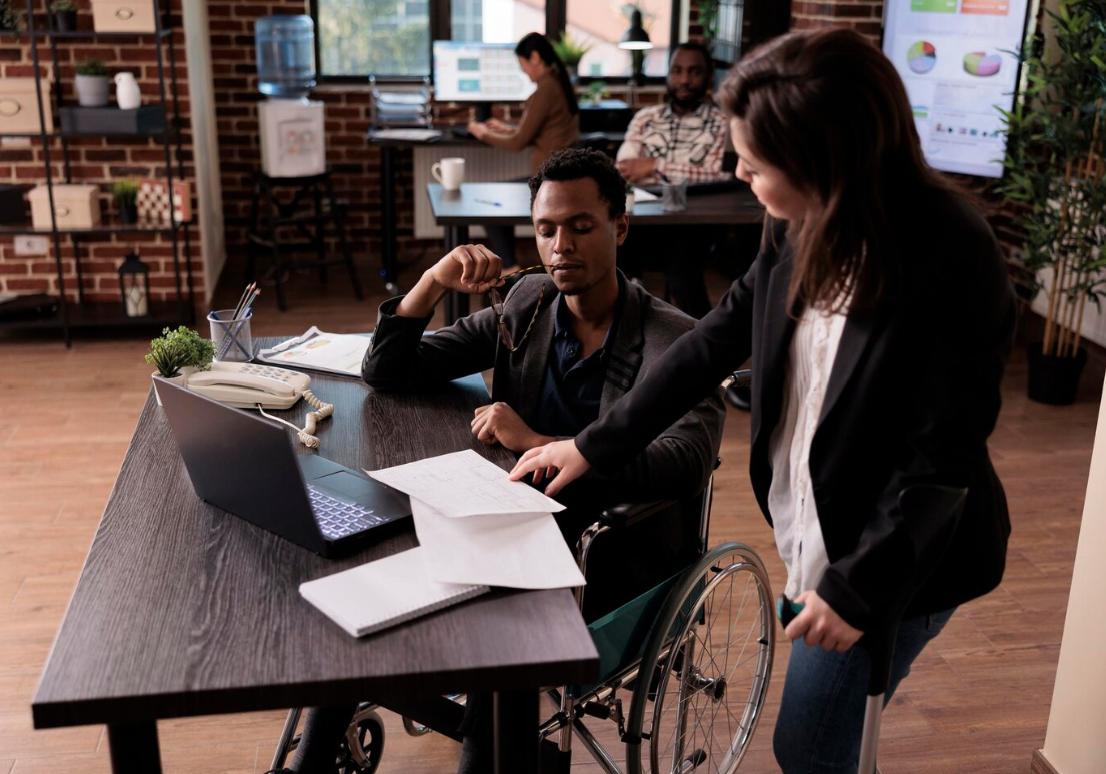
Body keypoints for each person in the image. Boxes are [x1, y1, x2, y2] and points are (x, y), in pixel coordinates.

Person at [512, 28, 1016, 774]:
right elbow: (713, 340)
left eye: (754, 161)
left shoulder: (953, 253)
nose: (739, 170)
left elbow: (939, 460)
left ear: (823, 160)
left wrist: (854, 590)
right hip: (817, 524)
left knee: (809, 747)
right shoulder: (794, 220)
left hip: (898, 554)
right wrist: (590, 445)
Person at [281, 148, 724, 774]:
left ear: (620, 227)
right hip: (502, 519)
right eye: (546, 229)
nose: (560, 245)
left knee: (496, 636)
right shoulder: (530, 305)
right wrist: (433, 280)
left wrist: (539, 439)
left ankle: (491, 749)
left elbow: (687, 459)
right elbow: (390, 370)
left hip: (607, 544)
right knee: (359, 583)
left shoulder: (676, 340)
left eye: (581, 225)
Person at [616, 41, 731, 319]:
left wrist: (654, 165)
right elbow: (625, 167)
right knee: (605, 253)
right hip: (642, 224)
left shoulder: (723, 123)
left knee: (683, 270)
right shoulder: (646, 118)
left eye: (693, 72)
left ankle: (702, 346)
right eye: (677, 71)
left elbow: (718, 173)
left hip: (692, 227)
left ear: (707, 75)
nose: (683, 80)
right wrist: (674, 171)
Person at [468, 31, 580, 267]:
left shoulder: (545, 91)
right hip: (557, 176)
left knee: (488, 204)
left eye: (523, 64)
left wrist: (483, 133)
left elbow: (518, 143)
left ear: (535, 57)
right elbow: (534, 133)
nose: (523, 71)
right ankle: (510, 265)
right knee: (494, 199)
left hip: (547, 181)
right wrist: (505, 127)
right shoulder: (558, 83)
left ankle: (509, 267)